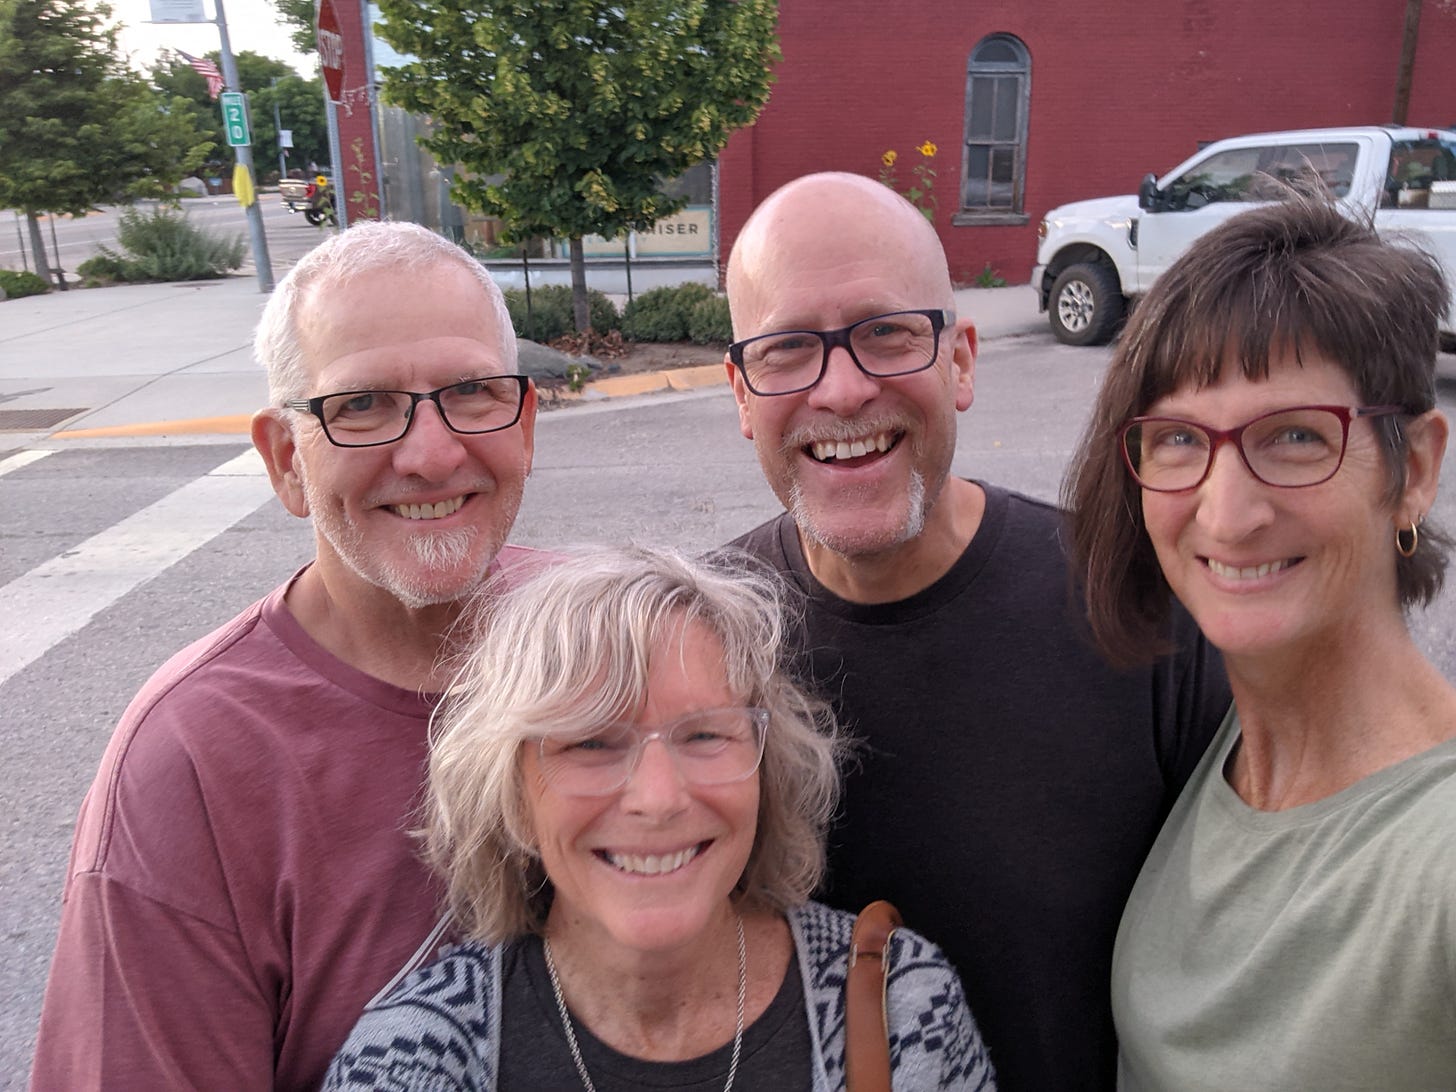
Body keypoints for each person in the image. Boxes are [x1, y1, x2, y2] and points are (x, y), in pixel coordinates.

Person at [722, 172, 1230, 1090]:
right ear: (742, 392)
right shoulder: (698, 648)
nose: (840, 391)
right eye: (788, 349)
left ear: (959, 360)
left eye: (885, 334)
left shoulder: (1137, 610)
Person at [30, 222, 541, 1091]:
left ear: (525, 421)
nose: (430, 452)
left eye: (473, 391)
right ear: (284, 462)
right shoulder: (190, 765)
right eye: (361, 406)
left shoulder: (611, 644)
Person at [323, 546, 997, 1091]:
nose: (658, 797)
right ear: (516, 799)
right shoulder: (416, 1053)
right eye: (591, 742)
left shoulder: (900, 1009)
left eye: (704, 736)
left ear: (766, 772)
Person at [1064, 196, 1456, 1089]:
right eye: (1176, 439)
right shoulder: (1233, 753)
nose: (1228, 514)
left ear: (1415, 470)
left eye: (1293, 437)